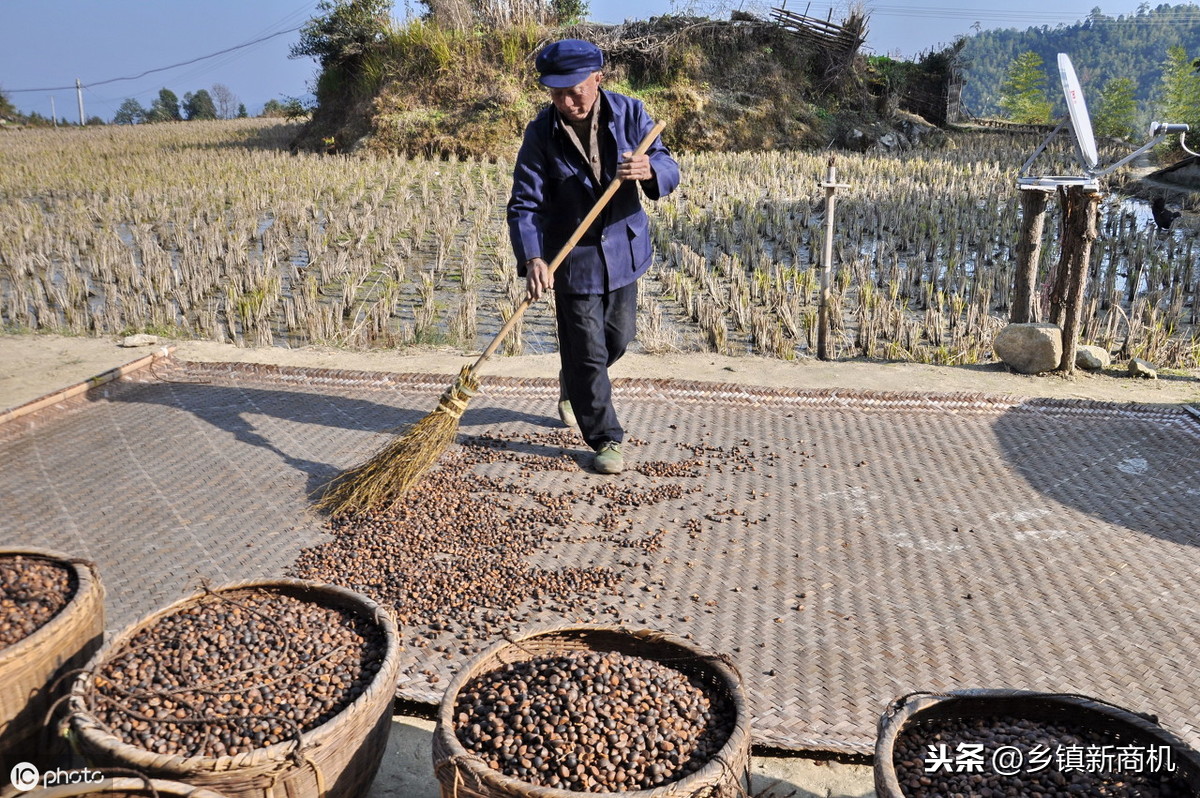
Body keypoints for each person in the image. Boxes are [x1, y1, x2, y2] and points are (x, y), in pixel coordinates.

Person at [507, 39, 680, 475]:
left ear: (598, 79)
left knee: (616, 340)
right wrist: (533, 259)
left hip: (623, 250)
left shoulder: (630, 113)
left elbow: (667, 164)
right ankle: (605, 437)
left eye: (575, 91)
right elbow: (524, 205)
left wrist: (649, 171)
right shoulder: (540, 134)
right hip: (573, 260)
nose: (567, 102)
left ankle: (573, 383)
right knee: (588, 352)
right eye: (556, 93)